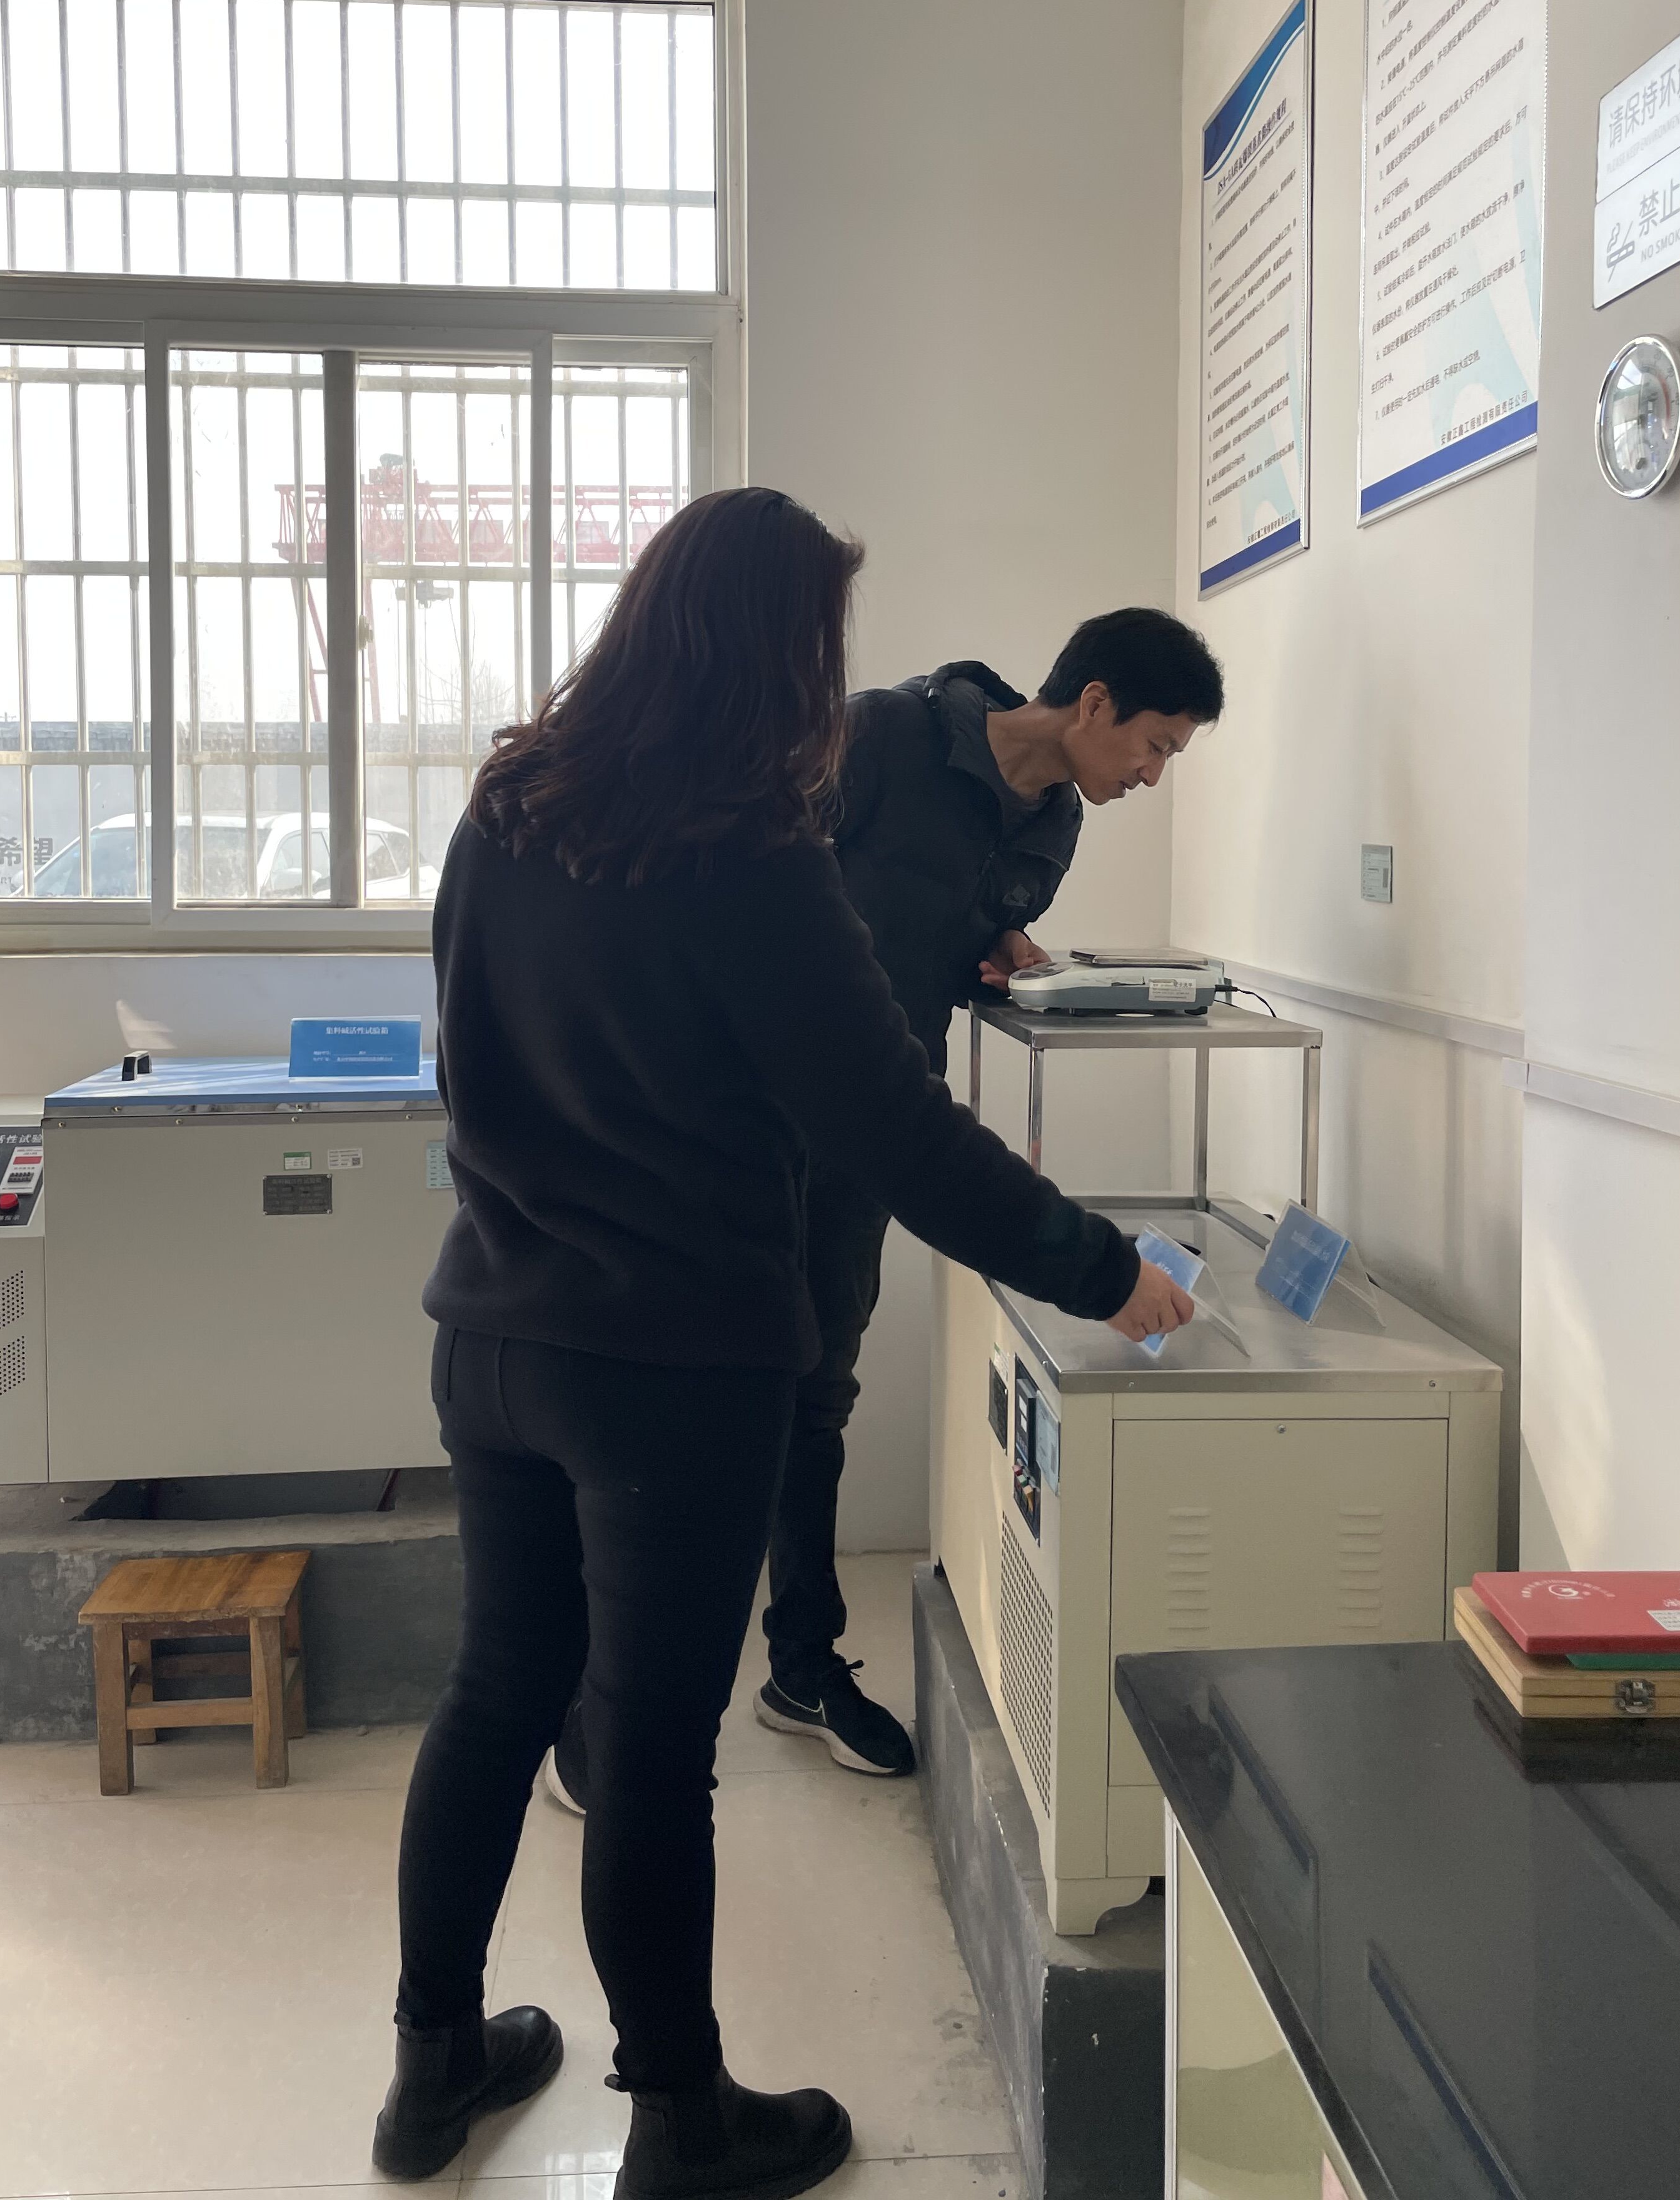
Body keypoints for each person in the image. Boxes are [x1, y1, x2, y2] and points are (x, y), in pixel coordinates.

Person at [373, 488, 1195, 2189]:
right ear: (775, 650)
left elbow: (460, 1058)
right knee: (652, 1755)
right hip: (674, 1367)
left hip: (495, 1332)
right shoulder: (750, 855)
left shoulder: (508, 809)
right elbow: (894, 1131)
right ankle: (680, 2121)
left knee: (496, 1695)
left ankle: (430, 2068)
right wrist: (1100, 1266)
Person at [546, 608, 1224, 1804]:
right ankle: (600, 1704)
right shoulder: (878, 739)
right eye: (1156, 745)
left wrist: (1000, 945)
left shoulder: (1055, 824)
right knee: (682, 1411)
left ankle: (801, 1670)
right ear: (1095, 703)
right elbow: (746, 901)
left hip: (871, 1142)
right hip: (738, 1135)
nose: (1154, 776)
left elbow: (939, 941)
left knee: (816, 1399)